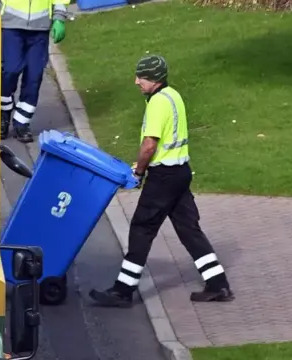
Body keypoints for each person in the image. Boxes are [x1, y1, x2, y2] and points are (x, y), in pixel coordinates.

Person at [89, 55, 234, 307]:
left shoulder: (156, 103)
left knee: (142, 228)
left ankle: (123, 291)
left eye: (141, 77)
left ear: (154, 79)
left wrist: (139, 172)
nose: (136, 81)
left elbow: (149, 145)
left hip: (164, 176)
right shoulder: (174, 96)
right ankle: (218, 284)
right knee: (189, 229)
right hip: (180, 172)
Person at [0, 0, 70, 143]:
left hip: (40, 28)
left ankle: (22, 123)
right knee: (10, 70)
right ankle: (3, 114)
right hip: (10, 25)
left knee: (34, 76)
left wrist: (59, 18)